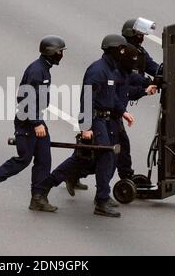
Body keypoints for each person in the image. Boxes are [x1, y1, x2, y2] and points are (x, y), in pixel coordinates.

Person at [40, 35, 135, 217]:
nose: (124, 52)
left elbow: (111, 96)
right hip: (96, 120)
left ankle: (47, 186)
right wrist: (86, 127)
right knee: (104, 156)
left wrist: (122, 111)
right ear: (113, 50)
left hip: (107, 120)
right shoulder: (97, 70)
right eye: (122, 49)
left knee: (89, 158)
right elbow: (87, 99)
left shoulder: (111, 69)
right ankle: (101, 200)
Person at [0, 35, 67, 212]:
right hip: (27, 121)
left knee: (44, 159)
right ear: (50, 52)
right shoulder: (37, 70)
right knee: (24, 159)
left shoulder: (45, 68)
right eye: (59, 51)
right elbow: (26, 98)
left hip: (35, 118)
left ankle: (38, 198)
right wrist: (36, 123)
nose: (61, 55)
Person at [117, 17, 160, 179]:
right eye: (139, 34)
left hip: (117, 105)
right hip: (111, 105)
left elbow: (150, 66)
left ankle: (126, 177)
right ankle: (126, 178)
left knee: (108, 146)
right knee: (117, 145)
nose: (142, 37)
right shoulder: (122, 55)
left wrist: (164, 74)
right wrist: (145, 89)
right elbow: (125, 87)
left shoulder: (137, 52)